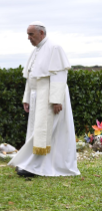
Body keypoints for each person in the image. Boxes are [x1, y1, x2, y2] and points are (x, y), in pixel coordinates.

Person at [8, 21, 80, 177]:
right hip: (37, 97)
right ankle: (32, 164)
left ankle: (37, 166)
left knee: (49, 131)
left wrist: (56, 100)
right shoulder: (36, 51)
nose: (28, 38)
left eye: (31, 34)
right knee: (36, 130)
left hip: (49, 98)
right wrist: (26, 98)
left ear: (41, 33)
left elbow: (59, 76)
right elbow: (31, 77)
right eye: (27, 34)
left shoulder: (55, 47)